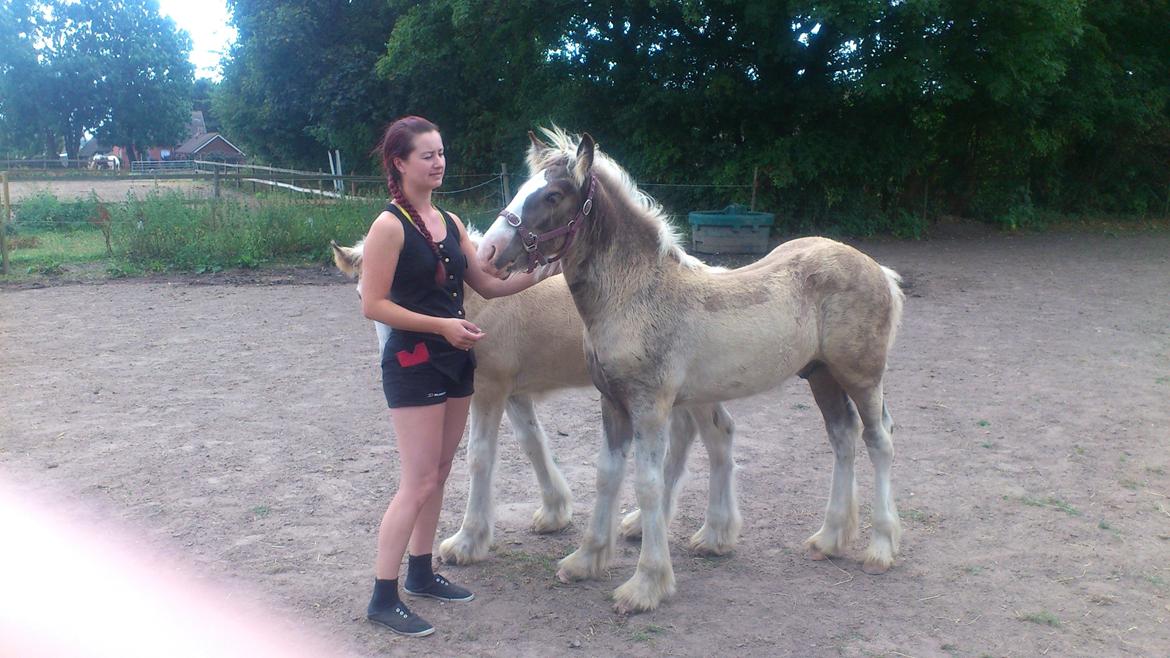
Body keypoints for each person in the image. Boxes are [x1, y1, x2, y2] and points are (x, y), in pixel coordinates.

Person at [358, 116, 558, 637]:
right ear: (399, 164)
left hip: (454, 359)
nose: (439, 162)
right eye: (427, 155)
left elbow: (488, 285)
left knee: (441, 471)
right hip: (413, 360)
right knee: (418, 479)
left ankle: (422, 572)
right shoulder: (388, 226)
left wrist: (542, 272)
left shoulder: (447, 219)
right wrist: (442, 326)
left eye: (441, 152)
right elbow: (373, 304)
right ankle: (384, 594)